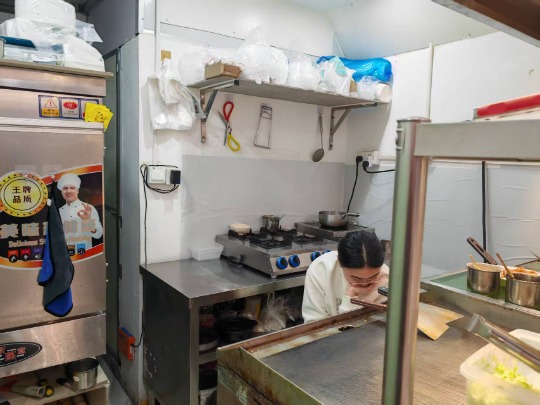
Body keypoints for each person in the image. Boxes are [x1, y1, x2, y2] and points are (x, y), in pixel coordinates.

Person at [302, 230, 389, 323]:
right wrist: (349, 299)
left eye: (373, 276)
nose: (365, 283)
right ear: (340, 263)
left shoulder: (386, 277)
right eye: (356, 278)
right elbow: (314, 323)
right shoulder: (320, 270)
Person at [57, 173, 103, 254]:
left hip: (83, 254)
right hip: (64, 254)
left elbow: (98, 234)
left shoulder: (88, 208)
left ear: (77, 190)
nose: (68, 191)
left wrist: (87, 221)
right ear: (62, 192)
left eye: (72, 188)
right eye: (65, 188)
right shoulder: (59, 211)